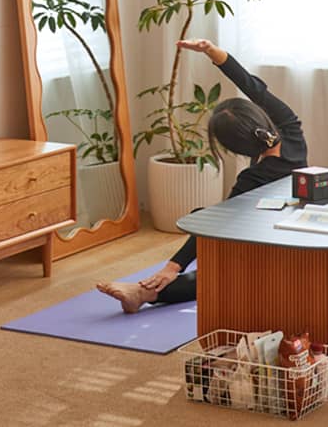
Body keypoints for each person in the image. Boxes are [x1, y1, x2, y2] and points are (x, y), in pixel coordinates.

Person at [96, 38, 308, 313]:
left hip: (277, 246)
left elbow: (215, 225)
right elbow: (256, 89)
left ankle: (143, 292)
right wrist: (213, 52)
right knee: (204, 216)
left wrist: (172, 266)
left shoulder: (251, 180)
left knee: (217, 248)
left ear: (232, 148)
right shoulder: (292, 131)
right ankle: (144, 292)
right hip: (296, 227)